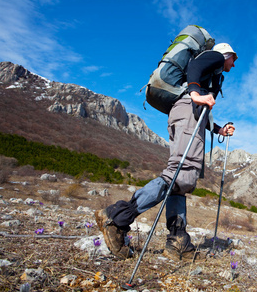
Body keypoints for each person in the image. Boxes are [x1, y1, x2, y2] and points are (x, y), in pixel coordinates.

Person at [95, 43, 237, 259]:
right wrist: (195, 93)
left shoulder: (214, 74)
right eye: (233, 58)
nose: (233, 64)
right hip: (188, 113)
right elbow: (195, 67)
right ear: (225, 54)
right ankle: (117, 218)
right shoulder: (215, 57)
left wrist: (218, 129)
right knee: (180, 174)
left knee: (182, 181)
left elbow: (202, 110)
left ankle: (178, 240)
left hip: (186, 114)